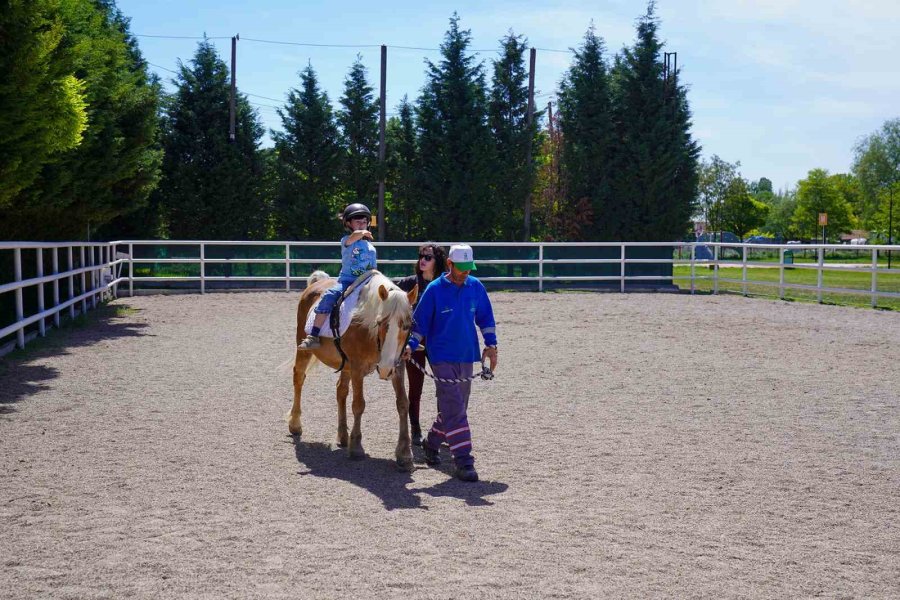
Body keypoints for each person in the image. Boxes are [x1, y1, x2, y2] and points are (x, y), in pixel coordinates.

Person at [401, 244, 498, 482]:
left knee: (456, 408)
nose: (466, 273)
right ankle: (464, 460)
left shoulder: (476, 287)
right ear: (450, 265)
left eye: (469, 268)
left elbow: (485, 317)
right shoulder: (434, 290)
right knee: (455, 407)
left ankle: (431, 443)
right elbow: (420, 324)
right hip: (441, 357)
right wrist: (410, 346)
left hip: (467, 354)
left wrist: (492, 345)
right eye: (461, 268)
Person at [298, 203, 376, 350]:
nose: (362, 224)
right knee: (330, 295)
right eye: (357, 221)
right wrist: (362, 232)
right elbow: (355, 236)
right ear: (348, 223)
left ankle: (403, 337)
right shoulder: (347, 240)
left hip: (369, 281)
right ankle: (313, 335)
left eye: (364, 222)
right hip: (349, 281)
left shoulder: (370, 245)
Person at [394, 242, 448, 446]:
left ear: (438, 261)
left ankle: (442, 428)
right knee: (415, 387)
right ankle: (415, 428)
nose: (422, 261)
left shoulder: (445, 284)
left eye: (428, 257)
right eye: (421, 256)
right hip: (414, 343)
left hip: (438, 342)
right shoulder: (407, 283)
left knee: (443, 387)